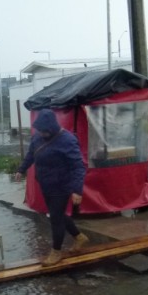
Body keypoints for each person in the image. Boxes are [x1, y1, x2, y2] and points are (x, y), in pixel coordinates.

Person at [15, 109, 88, 266]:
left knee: (55, 218)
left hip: (61, 185)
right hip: (46, 183)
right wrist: (21, 169)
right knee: (58, 214)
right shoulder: (38, 137)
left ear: (52, 127)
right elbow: (31, 154)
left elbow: (78, 166)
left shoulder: (67, 140)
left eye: (45, 131)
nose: (42, 134)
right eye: (40, 131)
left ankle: (56, 252)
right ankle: (79, 237)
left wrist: (77, 190)